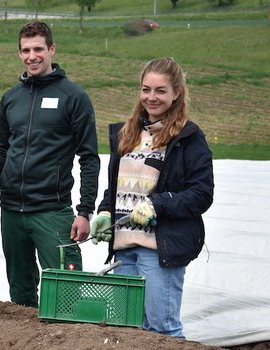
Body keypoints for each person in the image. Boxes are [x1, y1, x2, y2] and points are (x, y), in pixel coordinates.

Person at [0, 21, 100, 308]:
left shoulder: (73, 97)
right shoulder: (11, 99)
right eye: (25, 50)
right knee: (21, 294)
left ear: (52, 49)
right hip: (11, 211)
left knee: (67, 292)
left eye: (38, 49)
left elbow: (88, 158)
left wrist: (85, 211)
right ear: (19, 53)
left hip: (52, 211)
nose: (32, 56)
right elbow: (4, 154)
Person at [89, 57, 214, 337]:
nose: (151, 97)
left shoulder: (188, 137)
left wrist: (157, 204)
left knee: (161, 332)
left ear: (176, 93)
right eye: (146, 90)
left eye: (160, 91)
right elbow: (116, 186)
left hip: (158, 250)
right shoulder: (128, 134)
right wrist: (106, 211)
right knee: (128, 332)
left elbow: (202, 194)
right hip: (123, 248)